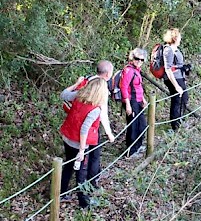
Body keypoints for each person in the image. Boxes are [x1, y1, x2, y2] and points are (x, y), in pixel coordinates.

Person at [62, 60, 115, 189]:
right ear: (108, 74)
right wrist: (109, 133)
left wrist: (77, 84)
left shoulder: (84, 86)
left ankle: (63, 190)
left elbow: (64, 95)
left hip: (69, 132)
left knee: (69, 163)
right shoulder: (99, 96)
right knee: (86, 163)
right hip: (84, 135)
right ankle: (87, 189)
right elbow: (99, 117)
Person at [59, 78, 109, 208]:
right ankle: (84, 203)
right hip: (78, 143)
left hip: (67, 137)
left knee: (69, 166)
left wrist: (76, 84)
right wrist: (81, 150)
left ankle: (61, 193)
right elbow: (84, 129)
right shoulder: (95, 109)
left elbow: (63, 94)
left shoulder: (78, 96)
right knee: (81, 173)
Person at [120, 48, 148, 156]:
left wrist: (143, 99)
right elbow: (124, 87)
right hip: (131, 101)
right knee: (133, 126)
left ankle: (138, 146)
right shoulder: (129, 70)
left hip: (138, 101)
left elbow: (138, 86)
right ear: (132, 58)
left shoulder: (137, 70)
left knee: (142, 125)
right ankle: (131, 151)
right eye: (137, 59)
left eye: (142, 60)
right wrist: (128, 105)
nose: (139, 61)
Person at [162, 28, 189, 131]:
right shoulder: (168, 50)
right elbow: (168, 69)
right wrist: (176, 86)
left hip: (179, 77)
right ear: (175, 38)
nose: (180, 39)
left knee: (183, 98)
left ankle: (179, 121)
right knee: (177, 100)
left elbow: (178, 65)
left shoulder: (175, 49)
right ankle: (175, 126)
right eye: (179, 37)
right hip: (173, 79)